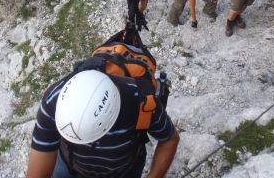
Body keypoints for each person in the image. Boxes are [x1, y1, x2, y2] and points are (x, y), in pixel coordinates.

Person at [26, 69, 180, 178]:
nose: (91, 147)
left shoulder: (142, 101)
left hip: (125, 171)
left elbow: (169, 139)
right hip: (70, 164)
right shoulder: (54, 102)